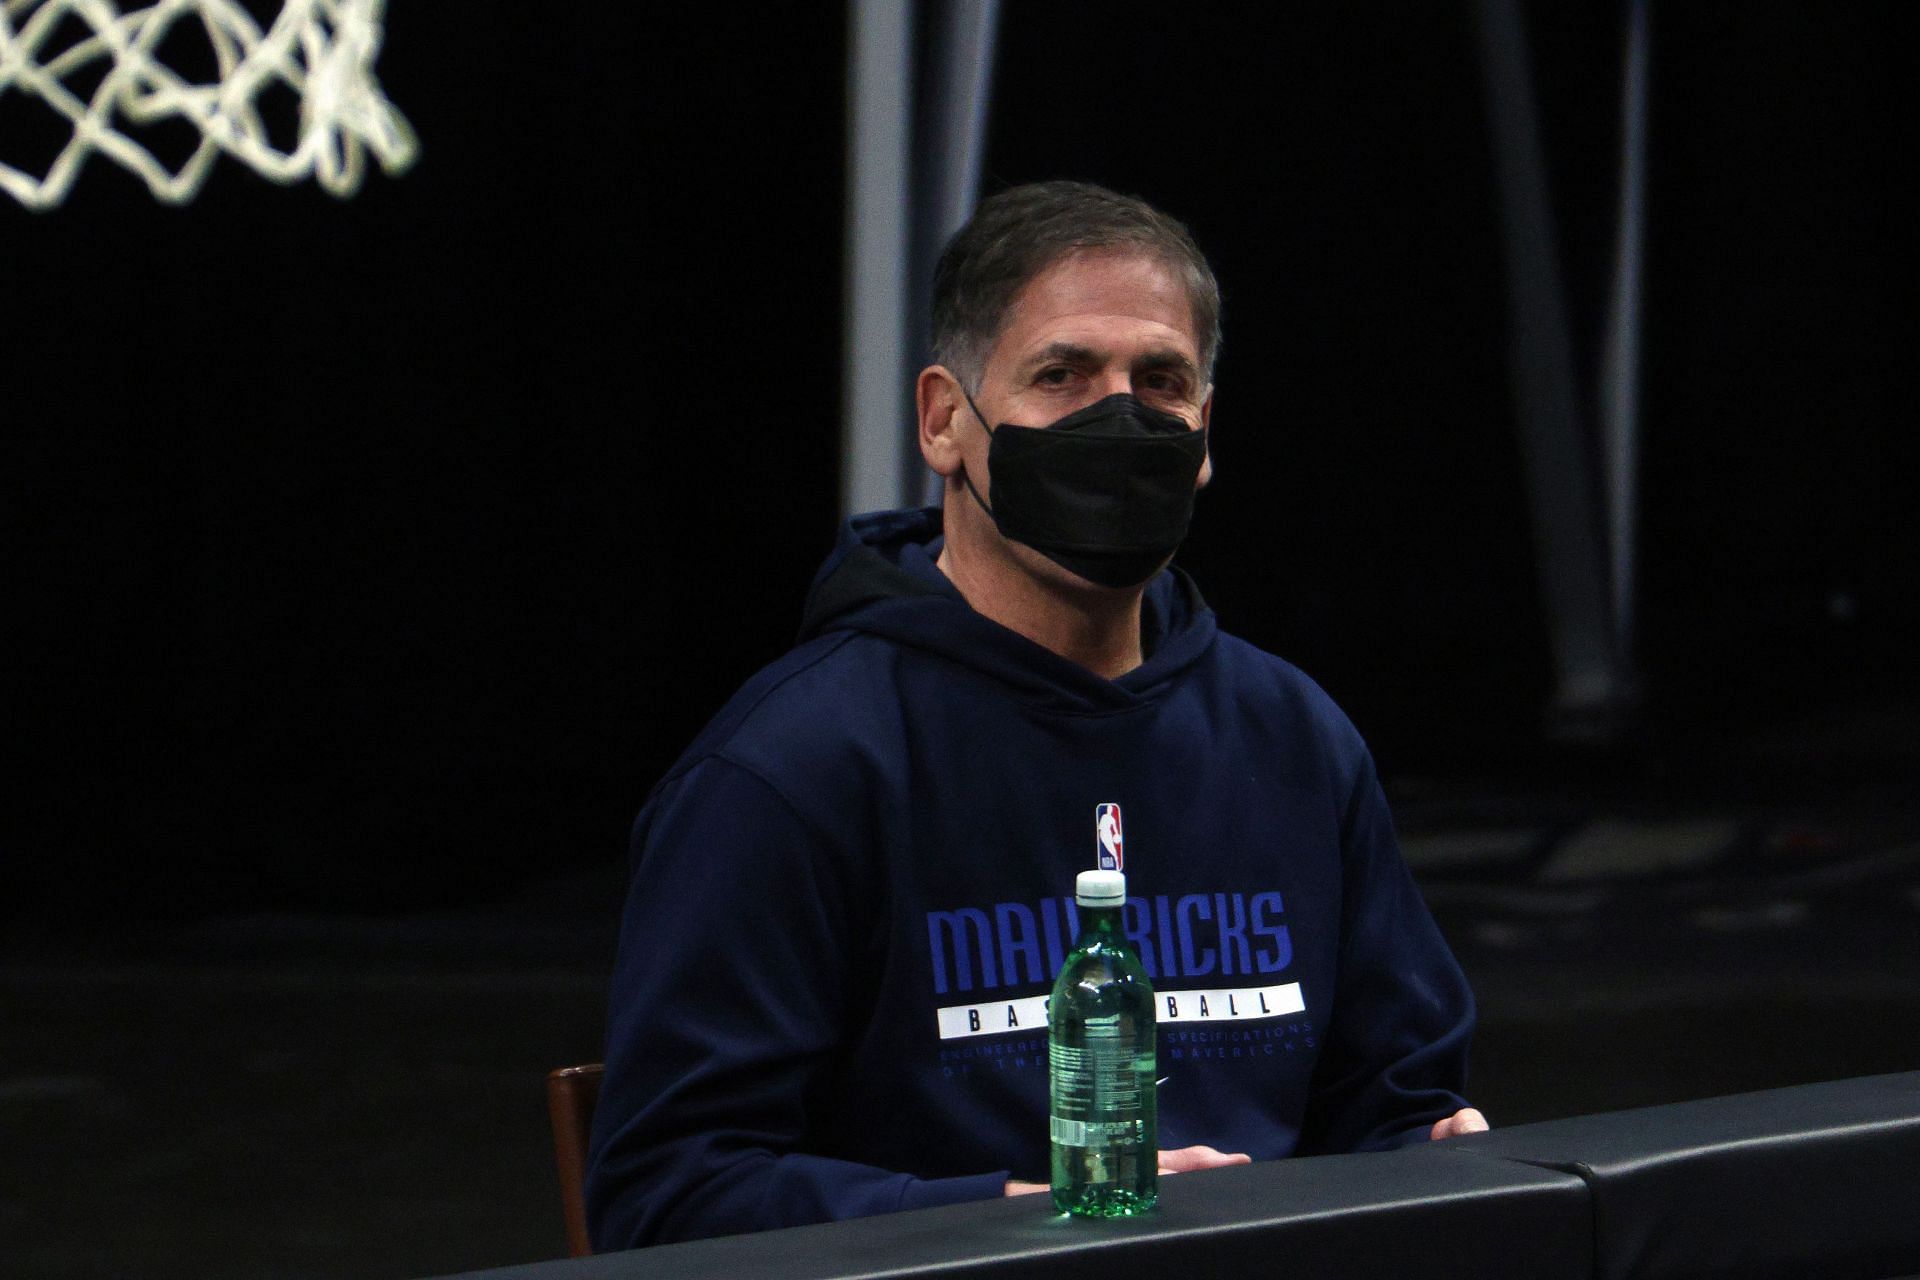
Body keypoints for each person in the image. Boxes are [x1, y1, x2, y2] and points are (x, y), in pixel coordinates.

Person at [585, 180, 1485, 1251]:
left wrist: (1443, 1154)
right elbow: (666, 1194)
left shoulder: (1297, 740)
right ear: (943, 420)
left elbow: (1397, 1105)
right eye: (1061, 376)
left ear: (1203, 438)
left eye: (1161, 381)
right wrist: (1023, 1221)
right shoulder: (791, 768)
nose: (1120, 418)